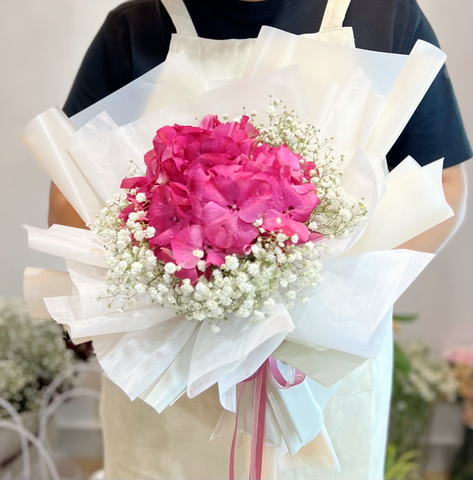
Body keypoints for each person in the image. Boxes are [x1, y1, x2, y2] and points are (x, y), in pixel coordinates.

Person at [48, 0, 471, 478]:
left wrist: (329, 299)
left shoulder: (383, 14)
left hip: (317, 372)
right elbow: (69, 194)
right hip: (173, 379)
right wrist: (177, 293)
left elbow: (444, 184)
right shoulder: (136, 28)